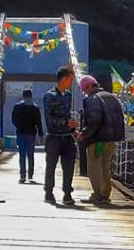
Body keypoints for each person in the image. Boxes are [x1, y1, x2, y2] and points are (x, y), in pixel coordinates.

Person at [77, 74, 126, 205]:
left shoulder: (92, 99)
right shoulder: (112, 97)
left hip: (97, 140)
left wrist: (84, 134)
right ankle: (105, 194)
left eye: (84, 90)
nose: (84, 93)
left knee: (95, 167)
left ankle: (97, 194)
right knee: (106, 167)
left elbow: (94, 121)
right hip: (111, 140)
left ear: (88, 86)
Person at [42, 65, 78, 206]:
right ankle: (49, 192)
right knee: (51, 165)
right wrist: (67, 122)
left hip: (67, 137)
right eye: (70, 79)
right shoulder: (49, 96)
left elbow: (67, 115)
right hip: (54, 137)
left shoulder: (69, 95)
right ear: (64, 79)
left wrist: (74, 129)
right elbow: (49, 119)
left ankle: (67, 193)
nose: (71, 82)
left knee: (69, 166)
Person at [11, 89, 43, 184]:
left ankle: (22, 175)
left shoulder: (17, 107)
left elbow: (13, 119)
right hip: (31, 134)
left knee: (22, 155)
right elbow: (39, 122)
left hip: (20, 133)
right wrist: (41, 135)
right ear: (31, 96)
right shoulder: (35, 107)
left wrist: (18, 126)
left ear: (23, 96)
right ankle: (30, 175)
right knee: (30, 154)